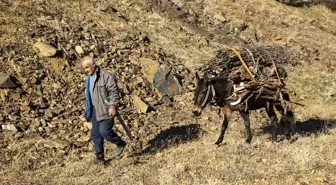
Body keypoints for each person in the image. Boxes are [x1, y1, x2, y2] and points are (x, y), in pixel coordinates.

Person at [81, 56, 126, 164]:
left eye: (87, 67)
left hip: (106, 109)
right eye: (84, 68)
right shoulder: (89, 78)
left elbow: (114, 92)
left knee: (104, 131)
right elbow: (90, 96)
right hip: (95, 110)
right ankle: (100, 157)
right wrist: (87, 112)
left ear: (94, 65)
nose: (86, 70)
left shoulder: (106, 76)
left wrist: (112, 106)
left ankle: (120, 143)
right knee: (95, 134)